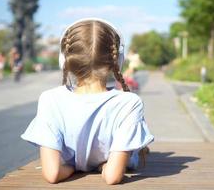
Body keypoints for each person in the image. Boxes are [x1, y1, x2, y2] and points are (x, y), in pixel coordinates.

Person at [21, 18, 154, 185]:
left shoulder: (50, 99)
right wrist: (103, 167)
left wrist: (73, 168)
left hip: (69, 165)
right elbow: (112, 177)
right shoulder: (129, 102)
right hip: (116, 161)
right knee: (133, 152)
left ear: (64, 61)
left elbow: (52, 174)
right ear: (117, 61)